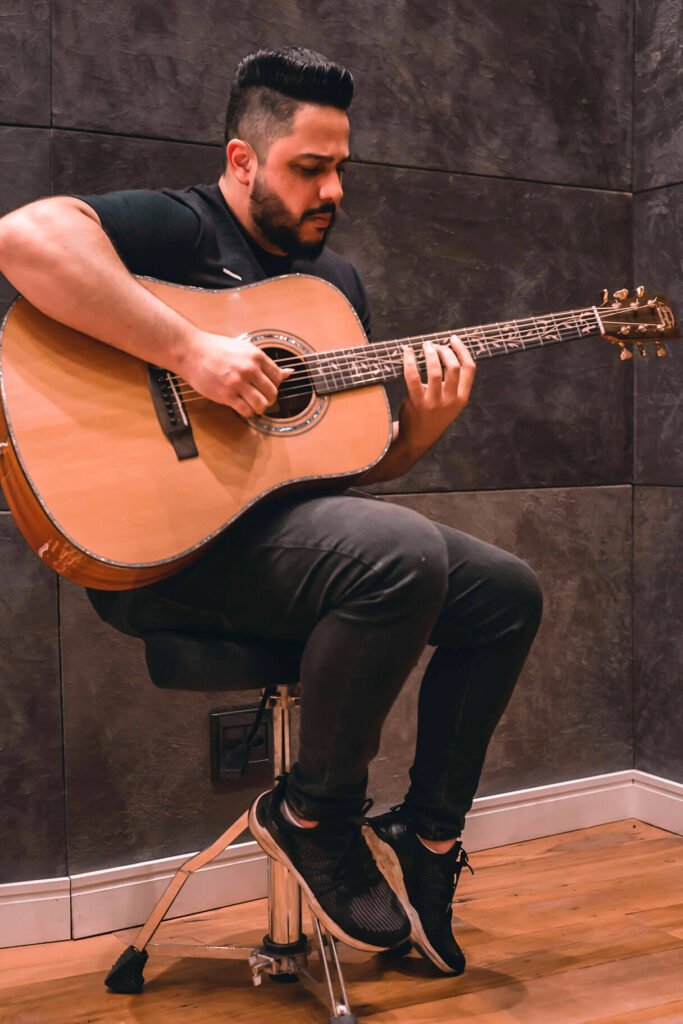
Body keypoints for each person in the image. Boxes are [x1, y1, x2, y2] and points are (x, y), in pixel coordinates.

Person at [0, 47, 542, 974]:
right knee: (401, 554)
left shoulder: (331, 288)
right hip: (164, 554)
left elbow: (336, 472)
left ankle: (427, 837)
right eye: (308, 167)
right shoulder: (181, 229)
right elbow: (23, 238)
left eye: (340, 168)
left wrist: (419, 433)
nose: (332, 190)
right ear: (242, 159)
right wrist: (191, 352)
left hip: (281, 545)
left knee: (505, 592)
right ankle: (314, 816)